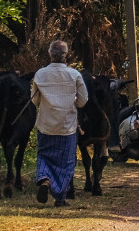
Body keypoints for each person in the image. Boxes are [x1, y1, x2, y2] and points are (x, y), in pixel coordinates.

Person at [31, 40, 88, 207]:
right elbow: (83, 100)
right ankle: (60, 198)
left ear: (50, 55)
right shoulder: (74, 74)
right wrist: (72, 103)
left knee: (44, 155)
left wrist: (46, 104)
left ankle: (44, 181)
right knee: (66, 162)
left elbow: (34, 99)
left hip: (46, 125)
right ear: (66, 55)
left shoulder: (40, 74)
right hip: (67, 127)